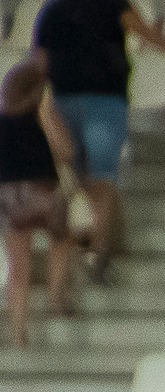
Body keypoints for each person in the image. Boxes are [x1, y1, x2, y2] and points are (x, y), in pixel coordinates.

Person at [29, 0, 165, 283]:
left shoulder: (59, 9)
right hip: (93, 101)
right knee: (94, 177)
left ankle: (95, 250)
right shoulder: (73, 8)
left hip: (83, 101)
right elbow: (143, 32)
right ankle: (98, 247)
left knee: (91, 177)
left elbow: (39, 63)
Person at [0, 56, 74, 348]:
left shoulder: (3, 119)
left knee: (19, 267)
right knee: (61, 240)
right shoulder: (43, 115)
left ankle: (18, 332)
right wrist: (46, 117)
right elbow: (66, 152)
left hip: (9, 195)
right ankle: (56, 299)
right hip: (43, 191)